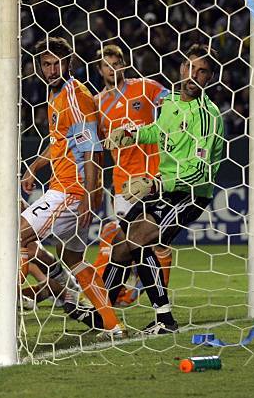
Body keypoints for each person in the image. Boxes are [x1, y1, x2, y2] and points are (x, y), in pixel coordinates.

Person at [103, 43, 225, 334]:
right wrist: (132, 133)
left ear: (210, 78)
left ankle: (164, 319)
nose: (194, 75)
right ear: (182, 68)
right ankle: (100, 310)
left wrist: (158, 182)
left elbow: (200, 171)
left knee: (139, 239)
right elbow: (158, 132)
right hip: (162, 187)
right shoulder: (170, 103)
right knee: (120, 247)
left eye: (203, 71)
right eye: (191, 67)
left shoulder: (208, 116)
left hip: (190, 194)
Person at [20, 36, 124, 338]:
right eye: (46, 64)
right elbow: (62, 144)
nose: (51, 70)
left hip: (71, 192)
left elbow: (92, 151)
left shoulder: (75, 97)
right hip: (66, 187)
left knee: (16, 236)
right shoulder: (57, 96)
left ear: (70, 63)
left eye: (57, 63)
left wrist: (90, 199)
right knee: (74, 259)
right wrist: (36, 167)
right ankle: (112, 325)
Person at [93, 44, 172, 306]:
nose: (113, 69)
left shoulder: (146, 87)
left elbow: (173, 102)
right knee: (130, 242)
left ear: (124, 64)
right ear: (99, 69)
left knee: (153, 241)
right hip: (123, 183)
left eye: (117, 64)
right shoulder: (97, 104)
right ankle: (125, 294)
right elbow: (98, 146)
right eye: (107, 65)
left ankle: (154, 299)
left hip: (153, 176)